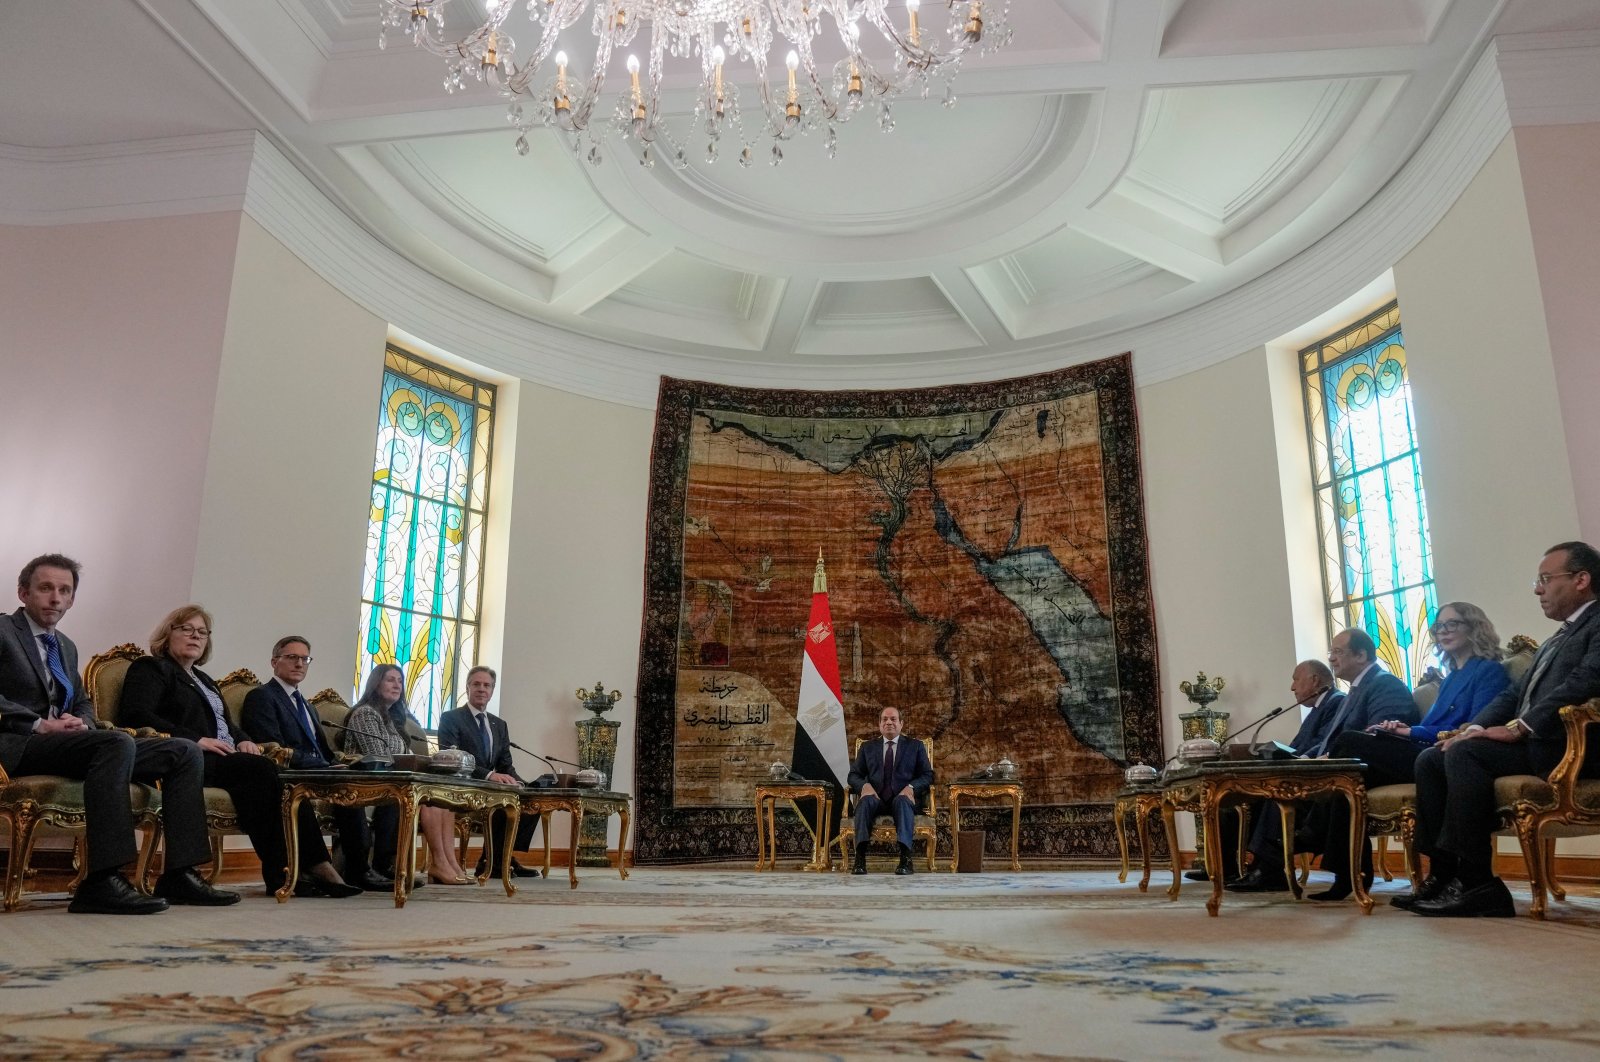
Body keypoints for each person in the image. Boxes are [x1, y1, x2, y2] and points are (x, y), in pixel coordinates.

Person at [0, 554, 237, 914]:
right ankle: (102, 880)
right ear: (23, 592)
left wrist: (81, 722)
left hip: (67, 743)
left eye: (64, 590)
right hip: (23, 743)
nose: (55, 597)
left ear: (72, 599)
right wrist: (40, 723)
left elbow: (81, 700)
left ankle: (179, 874)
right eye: (46, 588)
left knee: (183, 751)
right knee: (116, 742)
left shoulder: (64, 645)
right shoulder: (4, 631)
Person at [1401, 542, 1600, 917]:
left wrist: (1521, 727)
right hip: (1541, 743)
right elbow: (1514, 693)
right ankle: (1445, 875)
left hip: (1572, 746)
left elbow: (1585, 680)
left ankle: (1480, 884)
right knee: (1434, 756)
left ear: (1581, 580)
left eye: (1545, 579)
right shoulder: (1558, 636)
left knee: (1465, 753)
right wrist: (1473, 726)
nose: (1537, 589)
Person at [118, 606, 361, 899]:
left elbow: (228, 725)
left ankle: (297, 870)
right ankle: (295, 869)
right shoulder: (151, 668)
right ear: (167, 632)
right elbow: (136, 714)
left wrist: (245, 740)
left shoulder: (204, 680)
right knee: (261, 771)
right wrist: (196, 739)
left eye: (202, 632)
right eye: (187, 629)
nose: (196, 637)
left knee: (282, 779)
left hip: (226, 757)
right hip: (186, 757)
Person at [1313, 602, 1511, 900]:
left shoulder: (1489, 672)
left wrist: (1410, 731)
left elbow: (1474, 726)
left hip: (1444, 753)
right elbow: (1429, 724)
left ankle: (1314, 833)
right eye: (1439, 626)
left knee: (1349, 743)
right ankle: (1350, 875)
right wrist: (1395, 728)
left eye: (1452, 624)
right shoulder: (1452, 677)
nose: (1443, 632)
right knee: (1350, 779)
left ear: (1475, 628)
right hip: (1421, 749)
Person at [1228, 636, 1416, 893]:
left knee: (1321, 777)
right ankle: (1279, 862)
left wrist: (1327, 757)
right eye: (1331, 652)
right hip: (1347, 765)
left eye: (1338, 652)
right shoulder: (1355, 691)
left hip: (1380, 764)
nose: (1332, 658)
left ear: (1361, 655)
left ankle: (1304, 844)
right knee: (1275, 785)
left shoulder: (1385, 684)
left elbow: (1384, 732)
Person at [239, 635, 391, 891]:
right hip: (289, 773)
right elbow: (271, 745)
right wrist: (322, 766)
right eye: (292, 657)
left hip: (320, 772)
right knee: (339, 780)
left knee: (352, 784)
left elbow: (323, 749)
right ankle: (323, 869)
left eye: (304, 659)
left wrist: (337, 764)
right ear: (274, 661)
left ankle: (359, 869)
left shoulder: (308, 706)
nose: (299, 664)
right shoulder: (261, 697)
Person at [345, 664, 473, 885]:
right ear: (376, 684)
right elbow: (378, 757)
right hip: (368, 781)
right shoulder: (365, 713)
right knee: (408, 797)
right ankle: (388, 865)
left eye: (400, 681)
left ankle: (448, 863)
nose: (397, 685)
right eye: (390, 680)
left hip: (393, 779)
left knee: (440, 801)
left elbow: (407, 755)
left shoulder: (391, 718)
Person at [436, 665, 538, 879]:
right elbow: (453, 758)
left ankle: (503, 857)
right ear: (467, 688)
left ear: (492, 690)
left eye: (487, 685)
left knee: (531, 799)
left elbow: (505, 765)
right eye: (477, 684)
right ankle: (493, 861)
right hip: (461, 786)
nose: (482, 689)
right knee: (502, 804)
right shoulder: (451, 718)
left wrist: (519, 782)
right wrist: (488, 775)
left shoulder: (499, 724)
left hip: (489, 786)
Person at [846, 706, 933, 876]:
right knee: (864, 802)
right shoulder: (868, 748)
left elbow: (928, 775)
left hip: (903, 799)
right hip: (876, 798)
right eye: (885, 719)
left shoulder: (915, 746)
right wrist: (864, 786)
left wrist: (911, 787)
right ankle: (860, 858)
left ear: (901, 724)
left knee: (901, 802)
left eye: (893, 719)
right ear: (879, 724)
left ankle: (906, 859)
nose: (889, 722)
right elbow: (853, 775)